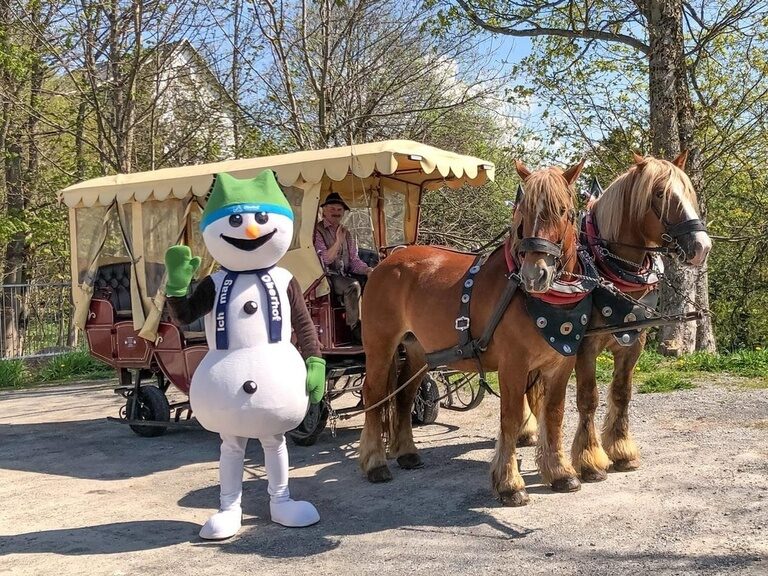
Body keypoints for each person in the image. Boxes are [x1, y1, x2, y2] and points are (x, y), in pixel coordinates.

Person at [313, 192, 374, 343]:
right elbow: (326, 259)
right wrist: (338, 241)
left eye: (339, 210)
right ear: (324, 211)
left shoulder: (347, 233)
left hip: (343, 273)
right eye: (332, 209)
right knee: (352, 286)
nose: (336, 213)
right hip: (326, 276)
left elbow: (354, 261)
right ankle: (354, 328)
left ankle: (373, 325)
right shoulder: (317, 232)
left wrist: (368, 270)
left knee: (372, 282)